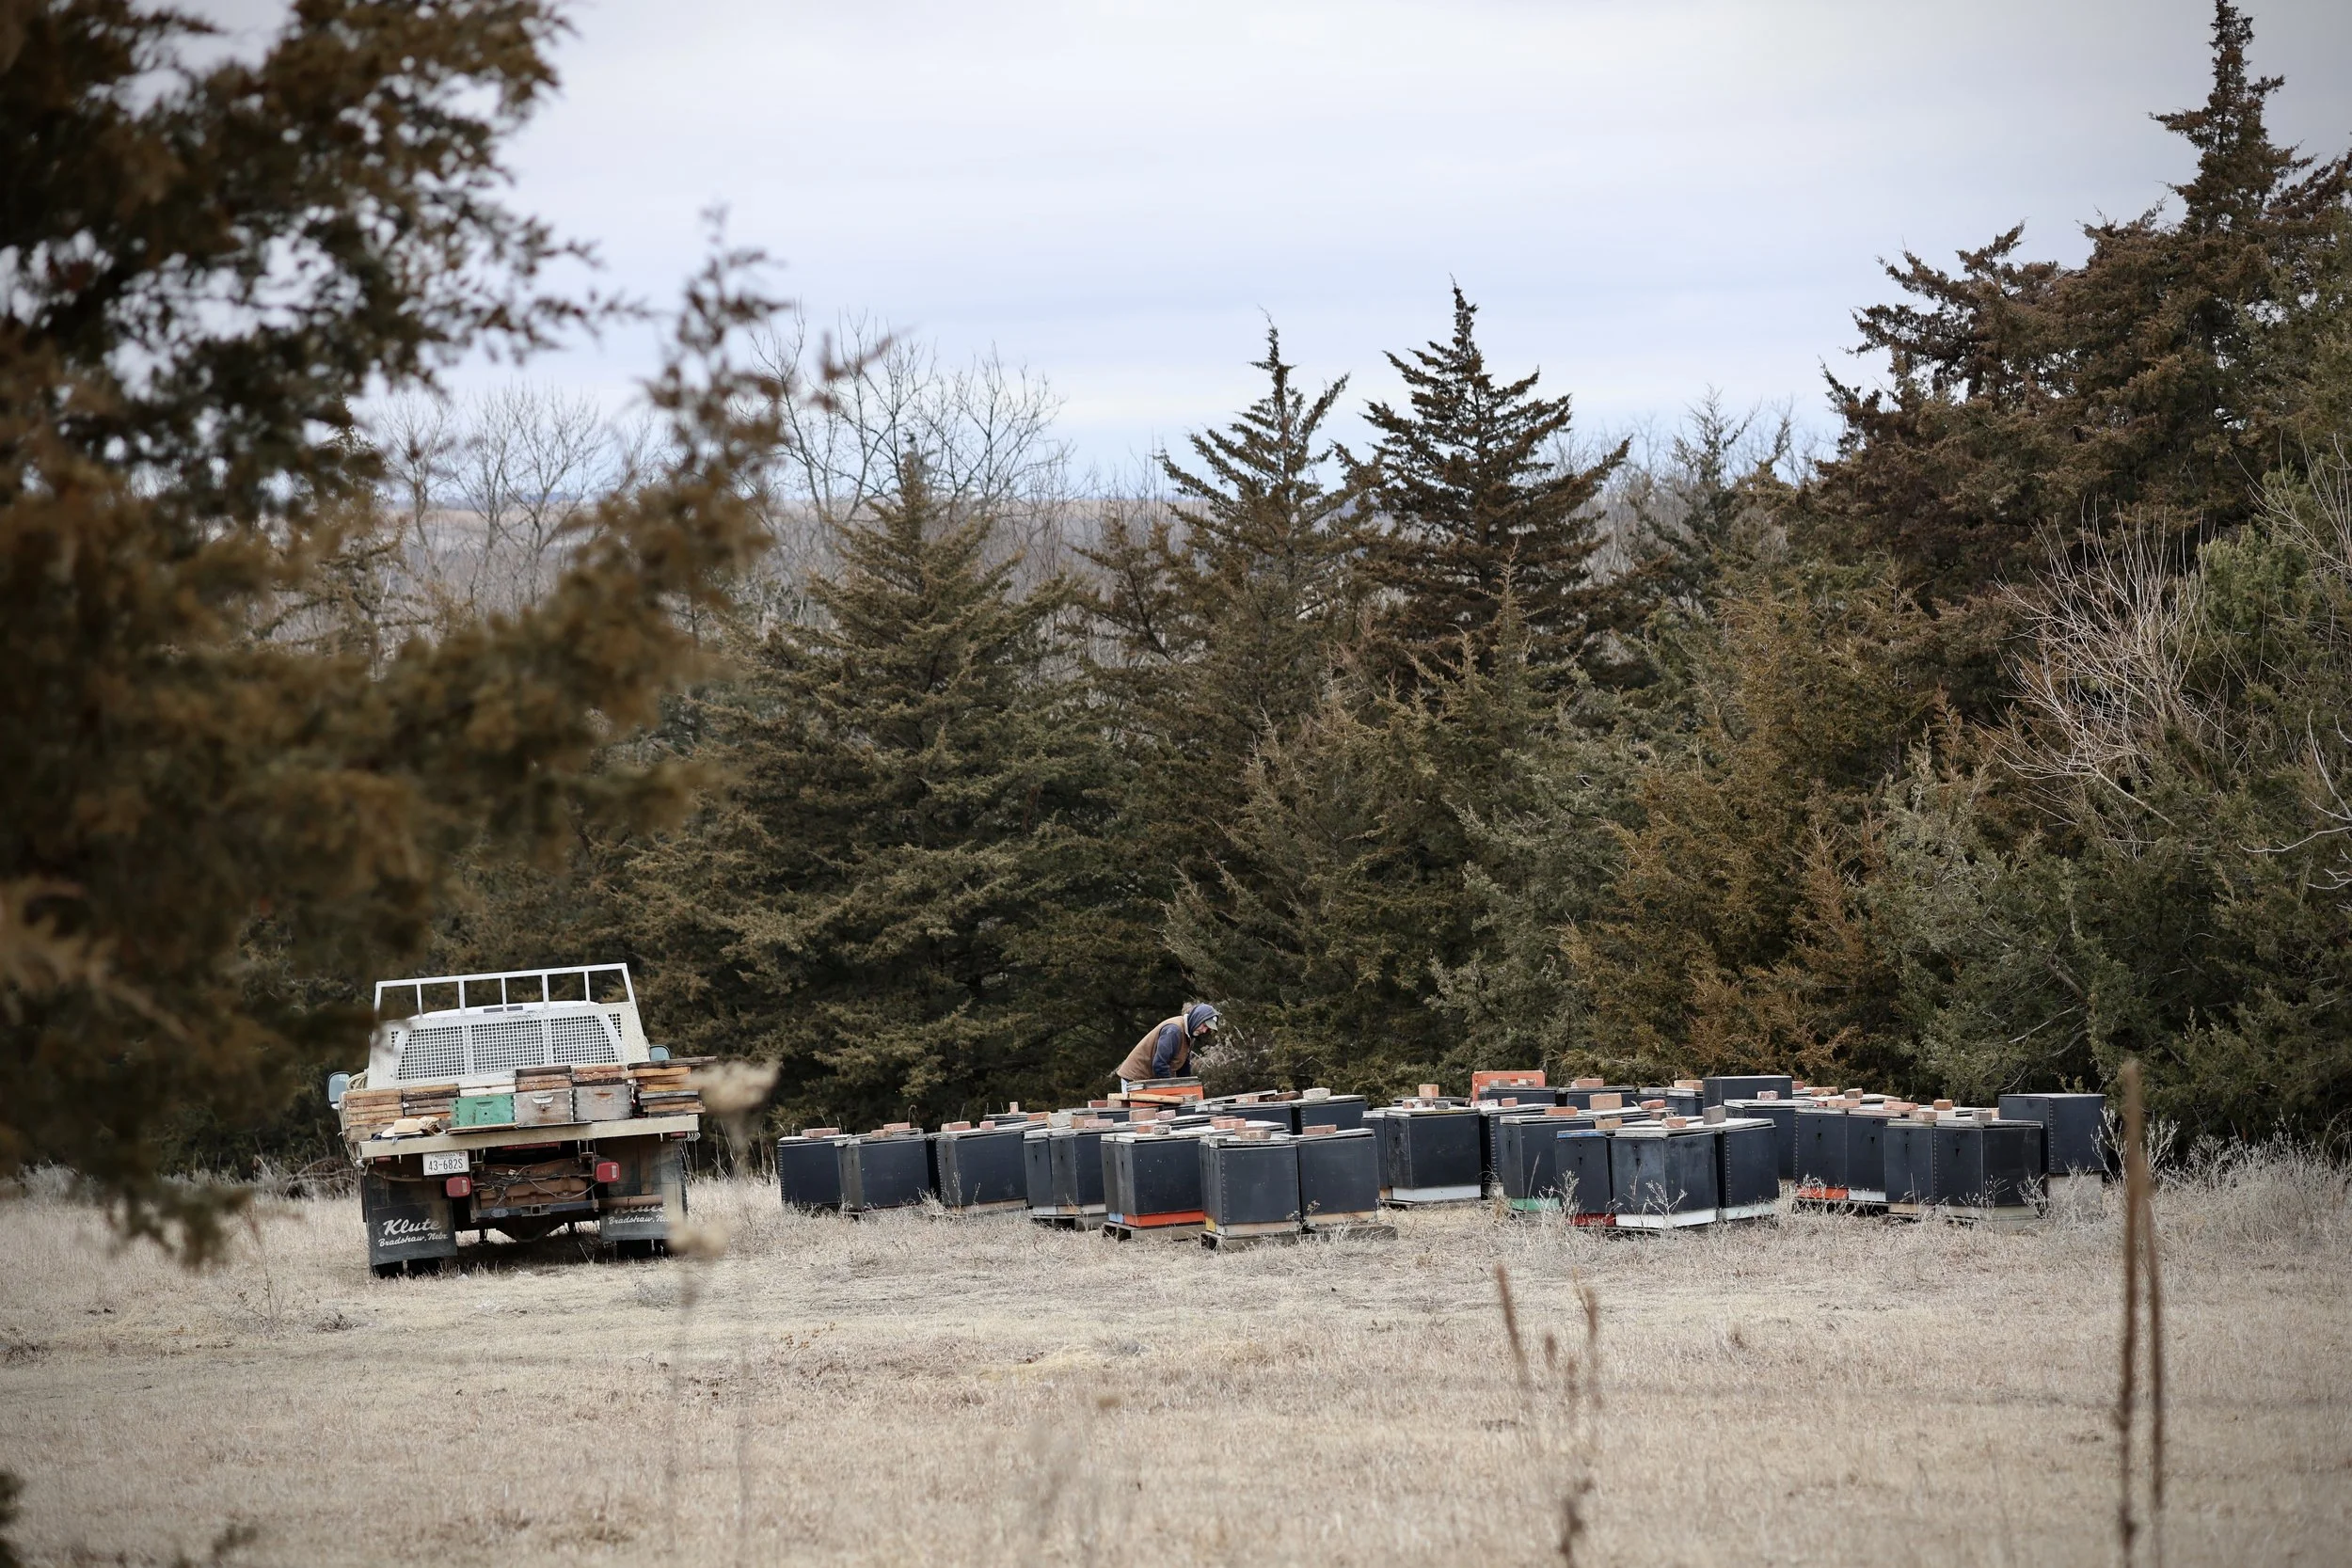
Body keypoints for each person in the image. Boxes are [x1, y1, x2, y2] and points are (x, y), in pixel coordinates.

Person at [1115, 1003, 1220, 1085]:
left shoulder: (1191, 1033)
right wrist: (1173, 1089)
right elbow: (1159, 1065)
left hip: (1149, 1080)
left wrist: (1187, 1087)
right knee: (1143, 1113)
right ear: (1197, 1018)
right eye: (1204, 1025)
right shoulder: (1174, 1031)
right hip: (1135, 1080)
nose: (1204, 1030)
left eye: (1208, 1028)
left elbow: (1183, 1065)